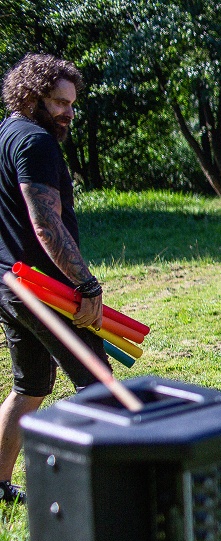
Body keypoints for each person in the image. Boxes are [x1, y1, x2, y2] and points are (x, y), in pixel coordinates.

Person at [0, 54, 104, 504]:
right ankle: (98, 492)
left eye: (72, 104)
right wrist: (85, 286)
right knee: (98, 386)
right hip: (42, 290)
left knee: (29, 388)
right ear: (32, 96)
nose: (68, 112)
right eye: (59, 102)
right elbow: (46, 224)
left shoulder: (5, 133)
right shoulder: (37, 142)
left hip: (8, 283)